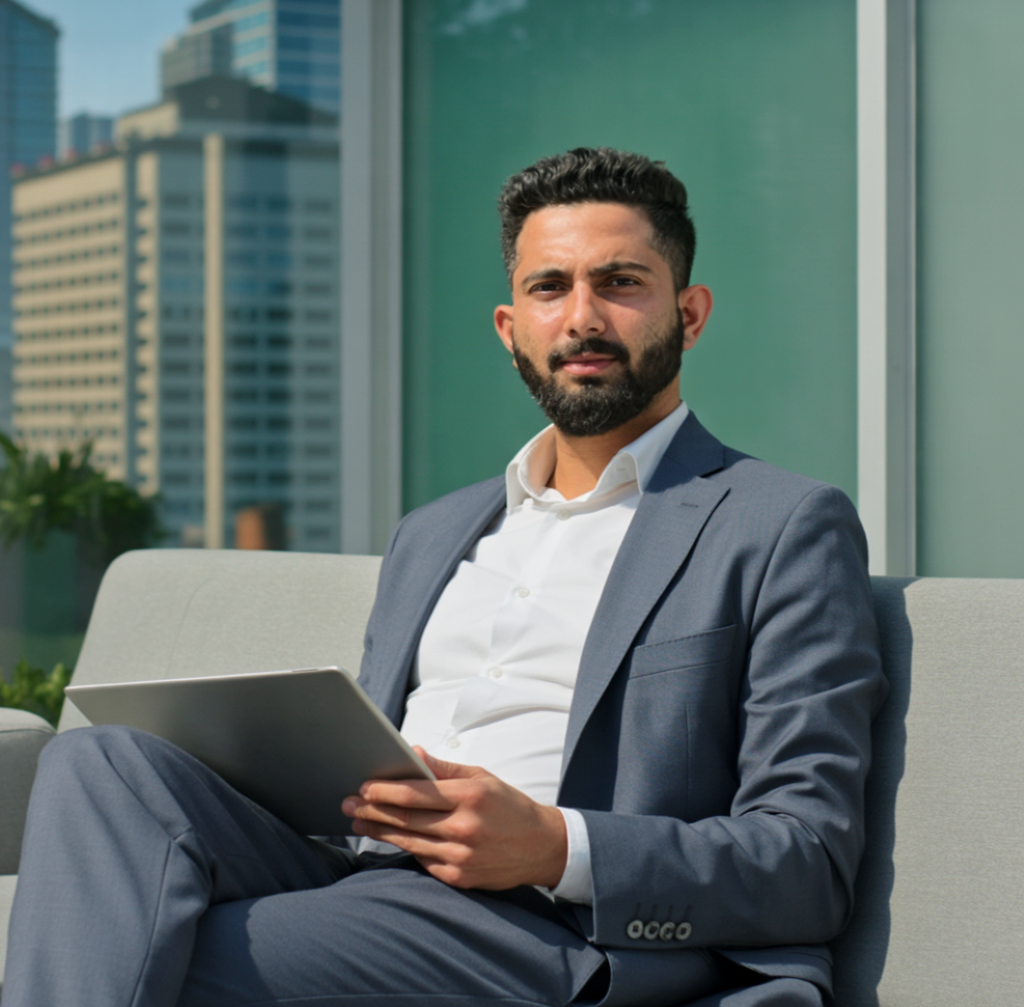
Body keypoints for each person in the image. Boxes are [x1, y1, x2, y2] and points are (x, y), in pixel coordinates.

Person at [3, 148, 885, 1007]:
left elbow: (804, 859)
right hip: (363, 868)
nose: (582, 316)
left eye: (620, 282)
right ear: (511, 329)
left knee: (137, 951)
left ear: (689, 315)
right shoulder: (433, 533)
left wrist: (553, 845)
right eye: (550, 287)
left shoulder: (779, 524)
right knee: (100, 758)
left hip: (556, 924)